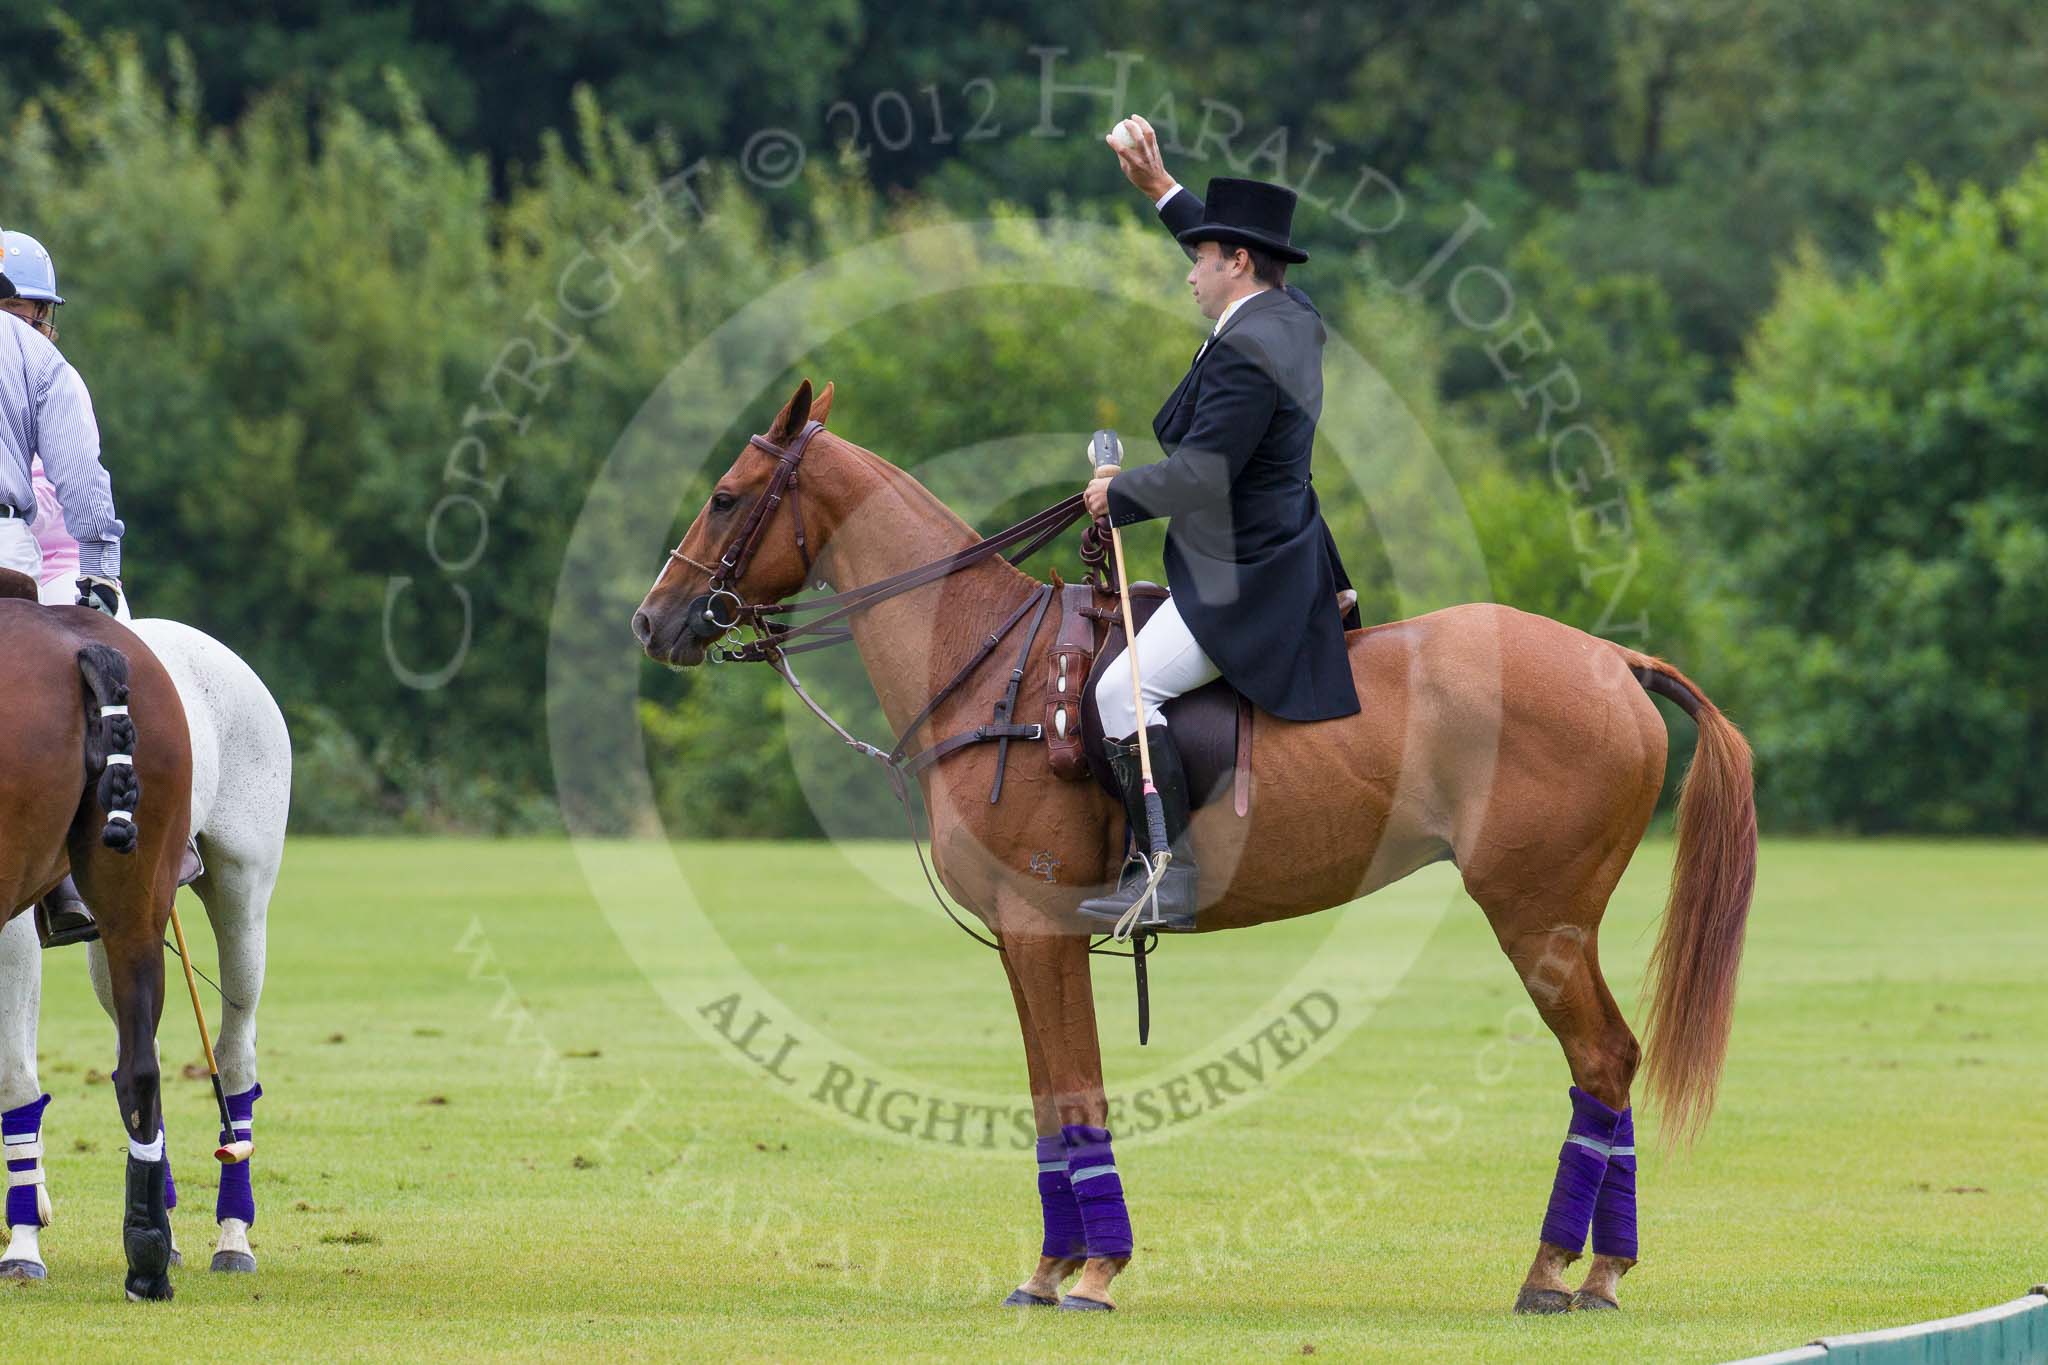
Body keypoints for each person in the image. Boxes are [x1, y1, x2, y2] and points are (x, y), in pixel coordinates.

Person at [1077, 117, 1362, 932]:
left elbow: (1204, 474)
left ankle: (1169, 874)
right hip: (1282, 548)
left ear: (1238, 263)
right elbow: (1224, 249)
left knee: (1120, 692)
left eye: (1203, 257)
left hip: (1248, 577)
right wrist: (1161, 189)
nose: (1191, 272)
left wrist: (1116, 493)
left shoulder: (1247, 349)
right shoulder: (1288, 313)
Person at [0, 225, 128, 947]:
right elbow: (81, 480)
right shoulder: (39, 362)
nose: (46, 326)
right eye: (41, 311)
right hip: (9, 547)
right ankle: (73, 874)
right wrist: (100, 568)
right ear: (20, 307)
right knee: (95, 674)